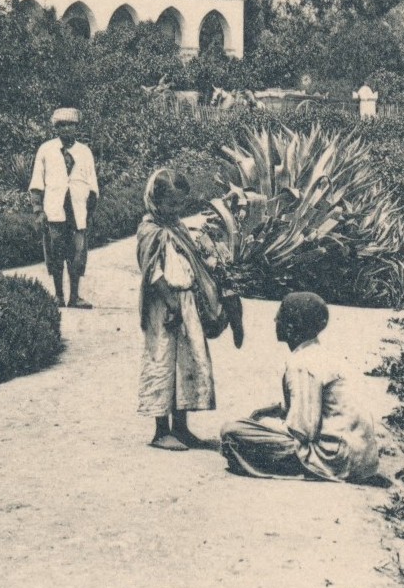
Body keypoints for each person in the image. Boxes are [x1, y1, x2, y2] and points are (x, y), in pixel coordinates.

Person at [220, 292, 381, 483]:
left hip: (334, 458)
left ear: (290, 328)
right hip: (360, 459)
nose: (274, 320)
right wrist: (274, 410)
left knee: (232, 431)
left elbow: (302, 431)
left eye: (279, 316)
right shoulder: (318, 354)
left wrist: (264, 425)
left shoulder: (302, 363)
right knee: (246, 428)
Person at [137, 168, 244, 451]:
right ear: (155, 200)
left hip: (186, 304)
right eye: (170, 204)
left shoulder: (177, 227)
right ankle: (161, 431)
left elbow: (192, 261)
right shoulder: (149, 230)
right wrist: (171, 304)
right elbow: (153, 273)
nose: (175, 210)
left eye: (179, 204)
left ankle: (181, 428)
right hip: (164, 306)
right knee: (163, 361)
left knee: (187, 361)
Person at [28, 107, 99, 308]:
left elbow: (93, 186)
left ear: (76, 128)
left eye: (71, 125)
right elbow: (36, 183)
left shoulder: (84, 152)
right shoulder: (46, 150)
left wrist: (90, 212)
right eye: (62, 126)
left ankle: (74, 297)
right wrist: (38, 210)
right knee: (55, 253)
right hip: (54, 211)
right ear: (56, 129)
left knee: (77, 254)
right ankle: (58, 295)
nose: (67, 129)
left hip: (77, 210)